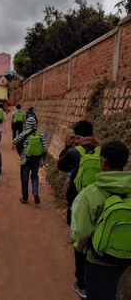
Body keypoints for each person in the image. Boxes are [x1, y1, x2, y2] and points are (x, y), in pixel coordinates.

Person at [70, 140, 131, 300]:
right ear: (125, 162)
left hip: (98, 260)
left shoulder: (91, 193)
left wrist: (79, 248)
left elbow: (81, 233)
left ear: (103, 162)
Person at [59, 120, 103, 299]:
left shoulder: (73, 151)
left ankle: (82, 283)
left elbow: (61, 166)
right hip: (100, 201)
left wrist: (67, 146)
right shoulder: (103, 151)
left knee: (79, 241)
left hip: (77, 202)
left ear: (77, 136)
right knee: (95, 238)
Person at [14, 118, 45, 205]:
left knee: (24, 178)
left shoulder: (24, 133)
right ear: (35, 124)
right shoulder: (40, 134)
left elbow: (15, 141)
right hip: (36, 159)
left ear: (27, 124)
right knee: (34, 176)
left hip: (25, 158)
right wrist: (42, 160)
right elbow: (45, 148)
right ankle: (35, 191)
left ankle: (24, 198)